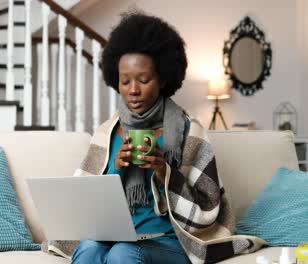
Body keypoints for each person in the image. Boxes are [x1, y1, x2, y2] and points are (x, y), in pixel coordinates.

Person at [65, 11, 264, 264]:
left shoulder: (191, 131)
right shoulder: (107, 132)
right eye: (125, 81)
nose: (133, 90)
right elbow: (83, 204)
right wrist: (116, 168)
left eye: (143, 80)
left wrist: (164, 171)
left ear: (162, 78)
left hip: (171, 241)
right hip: (118, 237)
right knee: (89, 249)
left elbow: (209, 205)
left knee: (122, 254)